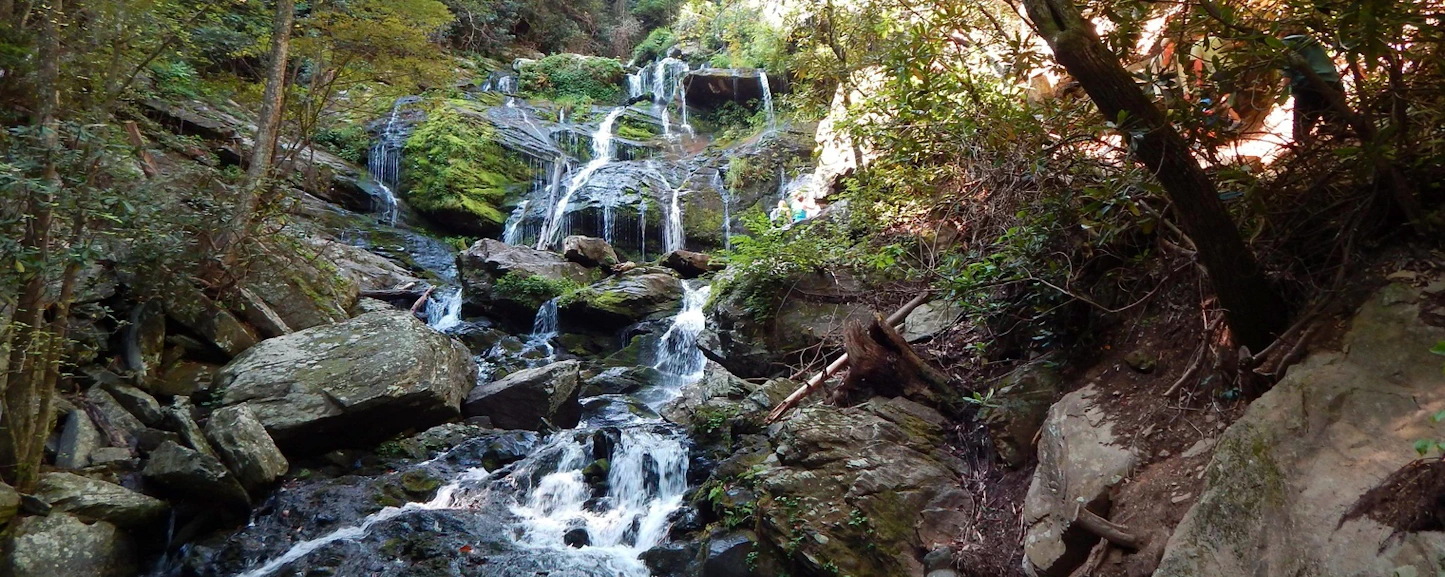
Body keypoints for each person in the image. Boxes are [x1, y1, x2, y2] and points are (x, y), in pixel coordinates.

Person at [1283, 34, 1344, 141]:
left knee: (1301, 131)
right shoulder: (1313, 42)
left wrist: (1284, 92)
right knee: (1337, 126)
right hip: (1333, 83)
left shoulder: (1287, 42)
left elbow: (1287, 71)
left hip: (1309, 86)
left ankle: (1309, 153)